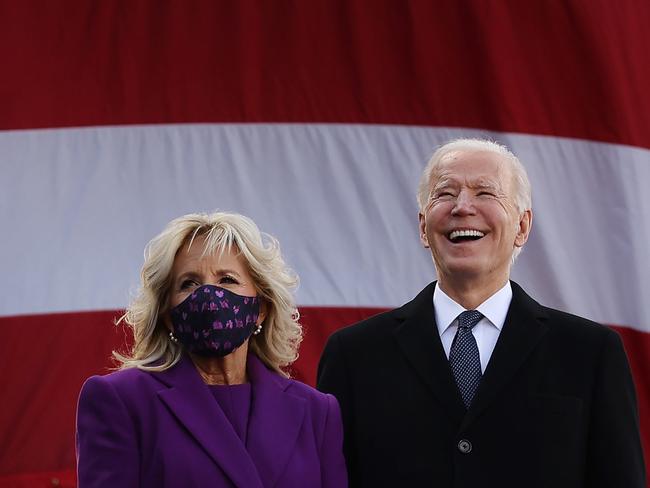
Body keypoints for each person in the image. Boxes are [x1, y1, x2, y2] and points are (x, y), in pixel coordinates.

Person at [317, 138, 646, 487]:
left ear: (522, 227)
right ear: (422, 227)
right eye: (445, 193)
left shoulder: (591, 353)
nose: (462, 207)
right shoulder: (354, 355)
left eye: (485, 193)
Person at [76, 211, 347, 487]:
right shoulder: (122, 400)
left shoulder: (317, 412)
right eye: (189, 283)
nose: (208, 296)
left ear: (262, 309)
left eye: (227, 280)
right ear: (168, 314)